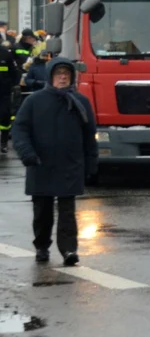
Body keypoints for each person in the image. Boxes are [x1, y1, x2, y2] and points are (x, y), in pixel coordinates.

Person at [13, 57, 97, 267]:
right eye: (58, 74)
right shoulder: (34, 101)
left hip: (70, 165)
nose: (62, 77)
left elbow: (89, 135)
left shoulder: (80, 102)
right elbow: (20, 130)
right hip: (40, 164)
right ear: (50, 76)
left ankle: (69, 250)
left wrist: (91, 163)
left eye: (66, 74)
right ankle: (42, 246)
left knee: (67, 211)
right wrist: (27, 153)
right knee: (42, 210)